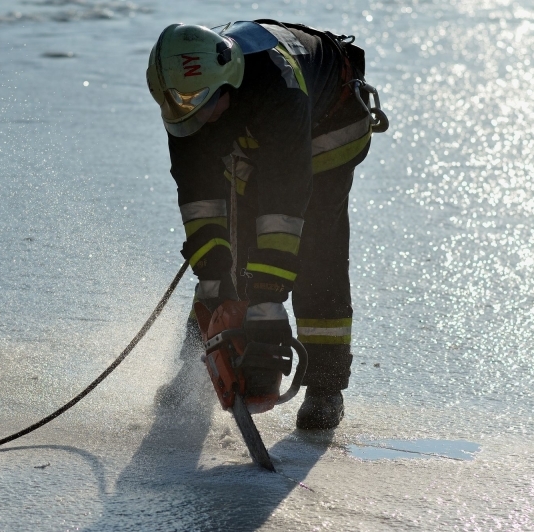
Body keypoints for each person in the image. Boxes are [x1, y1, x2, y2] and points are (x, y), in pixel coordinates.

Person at [146, 20, 387, 429]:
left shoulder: (277, 85)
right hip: (257, 139)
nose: (199, 123)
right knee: (231, 257)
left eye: (205, 109)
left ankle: (325, 388)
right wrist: (213, 276)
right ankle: (198, 370)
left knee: (314, 251)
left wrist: (269, 299)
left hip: (327, 130)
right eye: (189, 114)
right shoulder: (188, 103)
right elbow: (199, 200)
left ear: (228, 81)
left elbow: (284, 199)